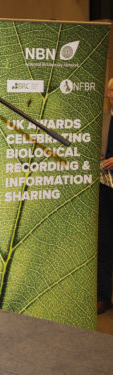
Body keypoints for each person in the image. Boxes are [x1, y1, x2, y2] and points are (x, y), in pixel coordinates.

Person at [97, 78, 113, 314]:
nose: (111, 92)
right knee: (104, 243)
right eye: (110, 89)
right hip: (104, 186)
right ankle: (103, 296)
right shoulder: (103, 118)